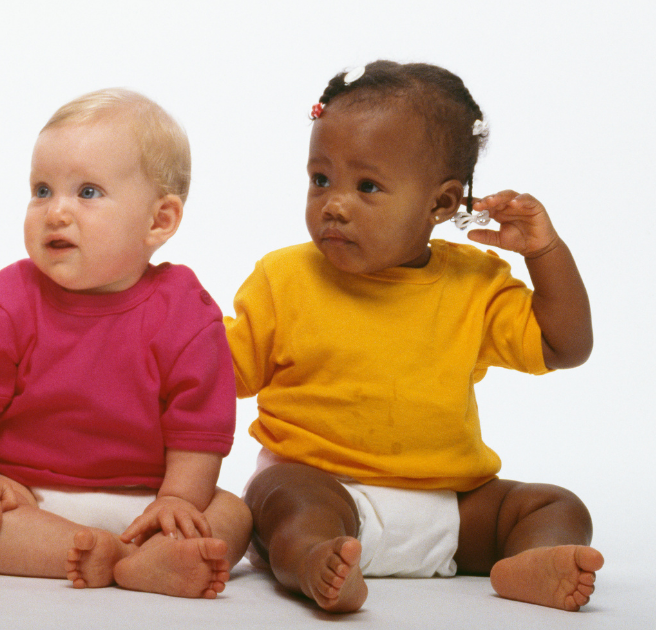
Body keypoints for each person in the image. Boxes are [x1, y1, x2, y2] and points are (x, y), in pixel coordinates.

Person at [227, 61, 602, 613]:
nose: (333, 203)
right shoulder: (284, 279)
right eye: (320, 179)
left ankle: (528, 563)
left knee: (558, 507)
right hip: (325, 490)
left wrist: (545, 254)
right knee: (280, 499)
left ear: (442, 203)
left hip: (450, 505)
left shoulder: (474, 283)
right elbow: (217, 372)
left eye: (368, 186)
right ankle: (313, 562)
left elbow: (564, 347)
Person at [0, 88, 252, 599]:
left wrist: (177, 499)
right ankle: (129, 562)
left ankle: (142, 553)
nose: (55, 212)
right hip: (32, 498)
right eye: (41, 190)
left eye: (87, 193)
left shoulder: (186, 309)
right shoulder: (7, 298)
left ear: (159, 221)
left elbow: (202, 426)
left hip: (150, 498)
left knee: (232, 511)